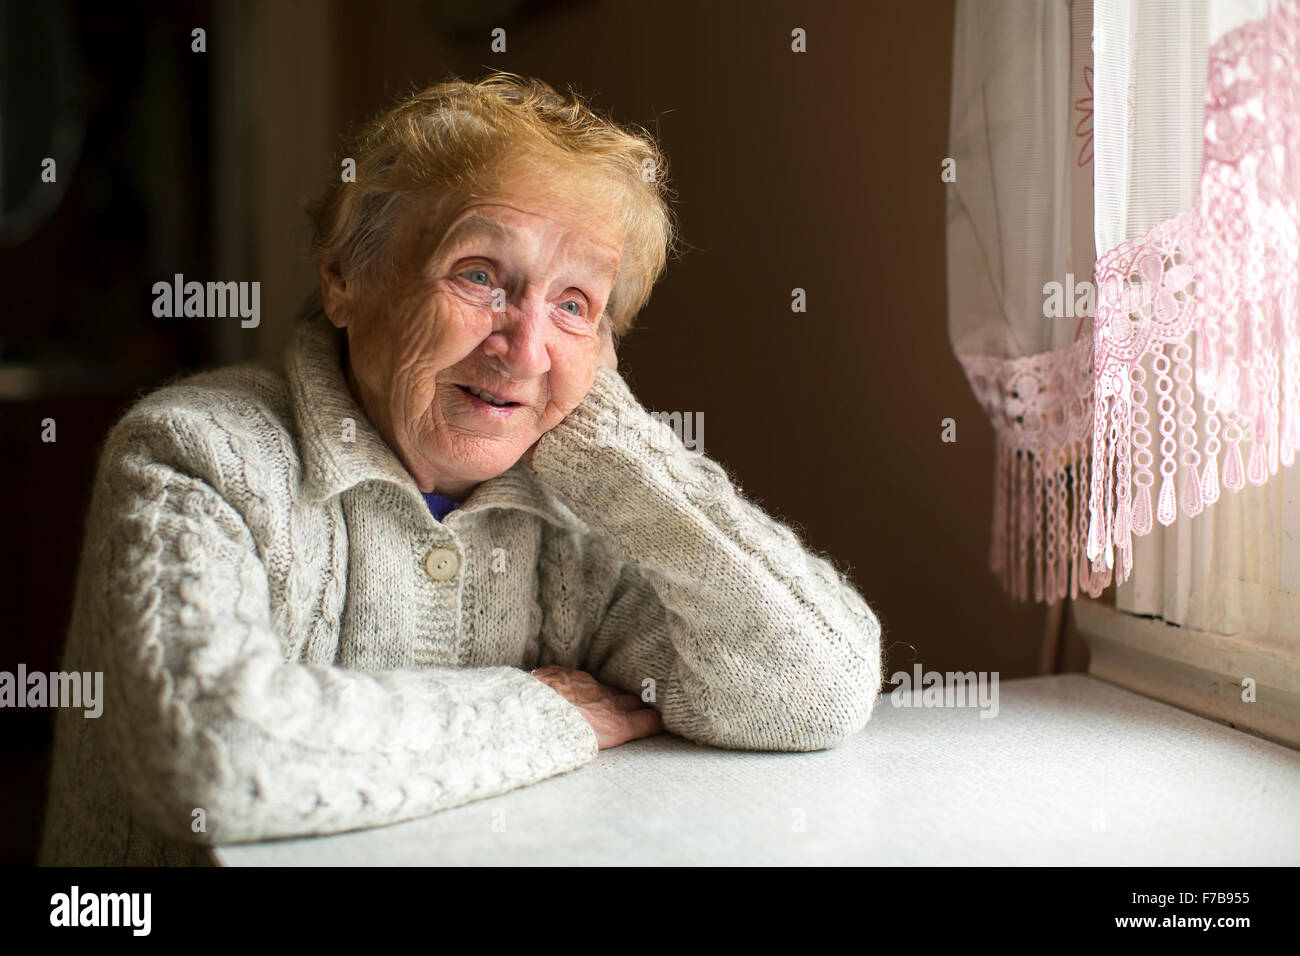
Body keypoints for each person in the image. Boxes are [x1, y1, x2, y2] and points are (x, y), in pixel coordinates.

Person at [39, 72, 884, 866]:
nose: (524, 349)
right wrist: (539, 713)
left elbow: (814, 690)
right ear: (345, 277)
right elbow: (216, 757)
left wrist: (616, 447)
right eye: (480, 276)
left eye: (574, 305)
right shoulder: (195, 453)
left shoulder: (589, 512)